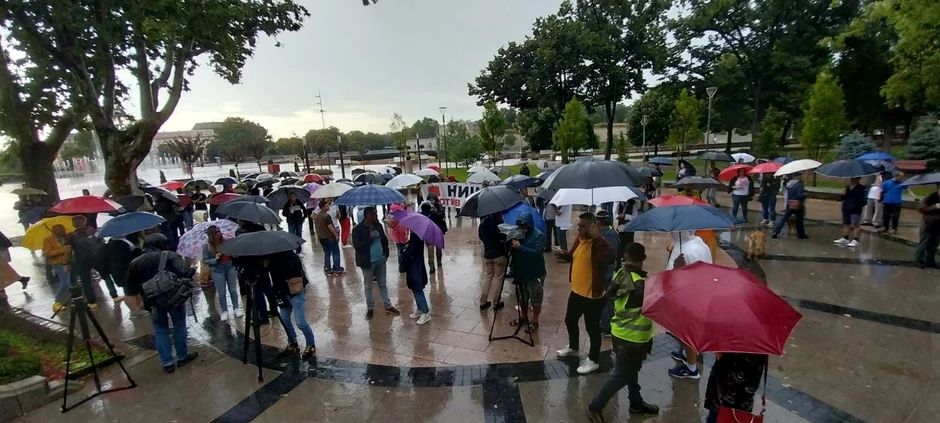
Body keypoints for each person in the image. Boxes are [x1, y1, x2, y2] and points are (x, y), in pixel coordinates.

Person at [586, 243, 659, 422]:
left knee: (631, 370)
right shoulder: (640, 284)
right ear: (643, 258)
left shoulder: (621, 274)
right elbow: (654, 306)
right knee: (621, 375)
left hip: (620, 331)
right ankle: (595, 406)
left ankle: (635, 402)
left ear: (625, 257)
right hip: (633, 337)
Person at [553, 213, 616, 375]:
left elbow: (610, 258)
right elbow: (573, 256)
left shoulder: (600, 243)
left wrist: (598, 239)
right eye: (578, 225)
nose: (578, 228)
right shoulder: (579, 239)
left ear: (592, 227)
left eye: (582, 226)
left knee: (592, 327)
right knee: (570, 320)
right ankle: (573, 346)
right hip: (577, 291)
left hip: (592, 294)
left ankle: (593, 360)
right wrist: (563, 253)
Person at [127, 234, 198, 373]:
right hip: (173, 297)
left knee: (160, 329)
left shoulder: (135, 262)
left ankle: (167, 362)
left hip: (151, 300)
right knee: (179, 325)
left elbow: (130, 287)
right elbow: (185, 273)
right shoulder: (170, 256)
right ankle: (182, 356)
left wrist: (137, 304)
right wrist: (193, 268)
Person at [666, 231, 714, 380]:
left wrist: (676, 268)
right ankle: (685, 353)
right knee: (685, 331)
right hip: (698, 296)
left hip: (686, 299)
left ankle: (691, 368)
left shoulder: (688, 251)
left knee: (685, 332)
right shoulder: (698, 243)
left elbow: (682, 279)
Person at [265, 251, 317, 359]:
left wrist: (277, 266)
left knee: (300, 322)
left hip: (295, 292)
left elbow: (295, 272)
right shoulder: (271, 259)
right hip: (282, 294)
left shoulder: (291, 257)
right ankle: (292, 342)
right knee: (285, 320)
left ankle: (311, 344)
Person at [352, 207, 400, 320]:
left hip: (380, 260)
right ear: (367, 215)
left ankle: (388, 305)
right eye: (374, 214)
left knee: (382, 284)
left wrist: (386, 253)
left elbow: (384, 239)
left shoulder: (378, 225)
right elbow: (358, 247)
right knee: (368, 286)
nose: (376, 215)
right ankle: (370, 308)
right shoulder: (357, 230)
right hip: (368, 263)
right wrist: (369, 238)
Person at [68, 215, 120, 308]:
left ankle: (92, 302)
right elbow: (102, 242)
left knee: (86, 282)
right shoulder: (92, 231)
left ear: (73, 224)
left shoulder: (71, 235)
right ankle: (114, 296)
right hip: (97, 258)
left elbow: (67, 248)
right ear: (85, 222)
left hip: (82, 260)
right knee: (106, 277)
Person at [704, 353, 767, 423]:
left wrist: (720, 356)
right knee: (739, 416)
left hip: (726, 387)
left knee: (717, 415)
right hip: (745, 391)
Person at [509, 212, 546, 330]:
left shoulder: (539, 235)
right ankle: (523, 318)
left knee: (536, 298)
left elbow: (537, 253)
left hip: (535, 273)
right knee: (522, 297)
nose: (522, 228)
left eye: (524, 226)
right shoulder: (518, 234)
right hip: (521, 272)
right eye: (520, 226)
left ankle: (535, 321)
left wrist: (520, 247)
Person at [203, 225, 242, 321]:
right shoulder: (207, 247)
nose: (219, 233)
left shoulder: (226, 242)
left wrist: (232, 254)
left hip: (229, 267)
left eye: (219, 231)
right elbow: (206, 260)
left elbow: (234, 254)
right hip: (217, 270)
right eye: (216, 232)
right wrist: (215, 259)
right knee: (221, 292)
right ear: (212, 235)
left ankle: (236, 308)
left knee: (233, 290)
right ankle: (224, 311)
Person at [106, 233, 147, 317]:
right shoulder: (118, 244)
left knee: (135, 290)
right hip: (124, 271)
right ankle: (134, 310)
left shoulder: (117, 242)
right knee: (129, 292)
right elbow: (125, 257)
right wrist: (137, 251)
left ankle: (139, 307)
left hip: (127, 270)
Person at [595, 211, 621, 337]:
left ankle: (605, 326)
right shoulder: (613, 234)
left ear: (598, 222)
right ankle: (609, 322)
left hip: (604, 272)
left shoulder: (604, 236)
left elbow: (608, 255)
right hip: (611, 271)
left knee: (604, 300)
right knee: (609, 299)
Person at [400, 230, 431, 324]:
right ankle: (420, 308)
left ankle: (425, 312)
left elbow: (411, 252)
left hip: (416, 267)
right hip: (413, 266)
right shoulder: (414, 235)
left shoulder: (417, 236)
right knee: (414, 288)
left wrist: (404, 251)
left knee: (418, 289)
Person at [478, 213, 507, 310]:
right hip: (499, 255)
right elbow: (505, 238)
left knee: (488, 276)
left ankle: (483, 301)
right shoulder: (500, 224)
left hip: (488, 254)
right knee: (498, 278)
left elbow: (480, 236)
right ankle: (496, 302)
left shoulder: (483, 222)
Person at [43, 225, 71, 313]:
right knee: (64, 282)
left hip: (68, 262)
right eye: (61, 230)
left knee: (71, 282)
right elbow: (48, 252)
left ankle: (70, 299)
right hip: (58, 263)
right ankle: (57, 302)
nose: (64, 231)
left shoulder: (66, 239)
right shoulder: (48, 240)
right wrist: (62, 250)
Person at [772, 173, 808, 239]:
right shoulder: (799, 185)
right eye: (800, 176)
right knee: (799, 220)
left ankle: (776, 231)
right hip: (798, 204)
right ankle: (801, 234)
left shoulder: (789, 184)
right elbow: (799, 195)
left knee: (784, 218)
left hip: (790, 203)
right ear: (798, 176)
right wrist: (804, 194)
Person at [313, 198, 344, 274]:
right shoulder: (326, 216)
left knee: (327, 253)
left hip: (322, 237)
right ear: (322, 207)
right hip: (330, 237)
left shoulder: (318, 216)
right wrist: (336, 235)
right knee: (335, 252)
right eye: (326, 206)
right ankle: (337, 268)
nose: (328, 207)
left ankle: (327, 268)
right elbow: (330, 227)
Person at [835, 177, 867, 247]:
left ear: (858, 179)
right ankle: (845, 237)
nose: (852, 180)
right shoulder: (848, 188)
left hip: (855, 209)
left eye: (854, 179)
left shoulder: (861, 188)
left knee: (855, 224)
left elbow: (864, 201)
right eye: (851, 179)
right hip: (846, 208)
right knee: (846, 223)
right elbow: (842, 198)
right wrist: (843, 194)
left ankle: (856, 239)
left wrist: (857, 205)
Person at [915, 184, 940, 269]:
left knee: (934, 245)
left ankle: (930, 260)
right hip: (927, 224)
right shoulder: (929, 198)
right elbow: (922, 209)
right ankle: (919, 260)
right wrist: (935, 207)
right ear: (938, 189)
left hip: (938, 226)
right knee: (924, 243)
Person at [422, 194, 448, 274]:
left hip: (438, 230)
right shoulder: (424, 206)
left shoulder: (439, 206)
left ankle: (439, 261)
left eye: (433, 199)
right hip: (429, 231)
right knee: (430, 249)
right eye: (430, 200)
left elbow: (441, 215)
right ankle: (431, 266)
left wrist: (435, 212)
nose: (431, 201)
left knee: (438, 247)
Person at [387, 203, 410, 269]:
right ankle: (403, 264)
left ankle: (401, 264)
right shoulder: (400, 209)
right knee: (403, 249)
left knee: (399, 248)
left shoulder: (391, 209)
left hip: (395, 232)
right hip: (402, 231)